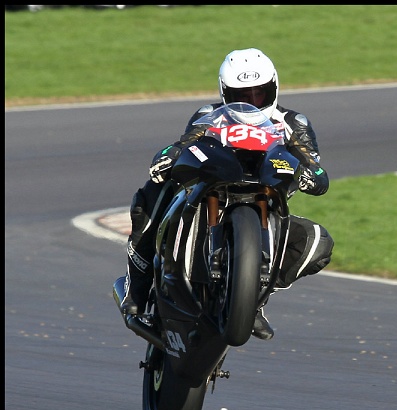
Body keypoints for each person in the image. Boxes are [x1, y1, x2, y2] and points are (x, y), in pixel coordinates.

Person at [120, 48, 334, 341]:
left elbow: (313, 164)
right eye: (242, 96)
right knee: (154, 192)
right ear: (224, 93)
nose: (252, 102)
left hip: (266, 203)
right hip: (215, 194)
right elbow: (187, 143)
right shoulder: (209, 115)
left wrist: (312, 174)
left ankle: (252, 298)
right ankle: (138, 289)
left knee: (317, 242)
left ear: (274, 88)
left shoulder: (294, 123)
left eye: (260, 94)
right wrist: (170, 155)